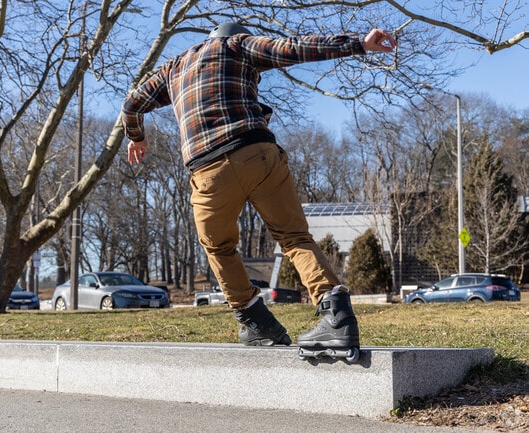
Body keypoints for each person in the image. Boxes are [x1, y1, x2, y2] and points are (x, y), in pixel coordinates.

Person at [121, 22, 397, 349]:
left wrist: (137, 137)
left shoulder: (174, 67)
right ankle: (336, 315)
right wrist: (357, 43)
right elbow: (291, 47)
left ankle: (255, 320)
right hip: (259, 153)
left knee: (219, 247)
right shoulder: (237, 46)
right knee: (294, 237)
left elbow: (132, 104)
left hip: (209, 171)